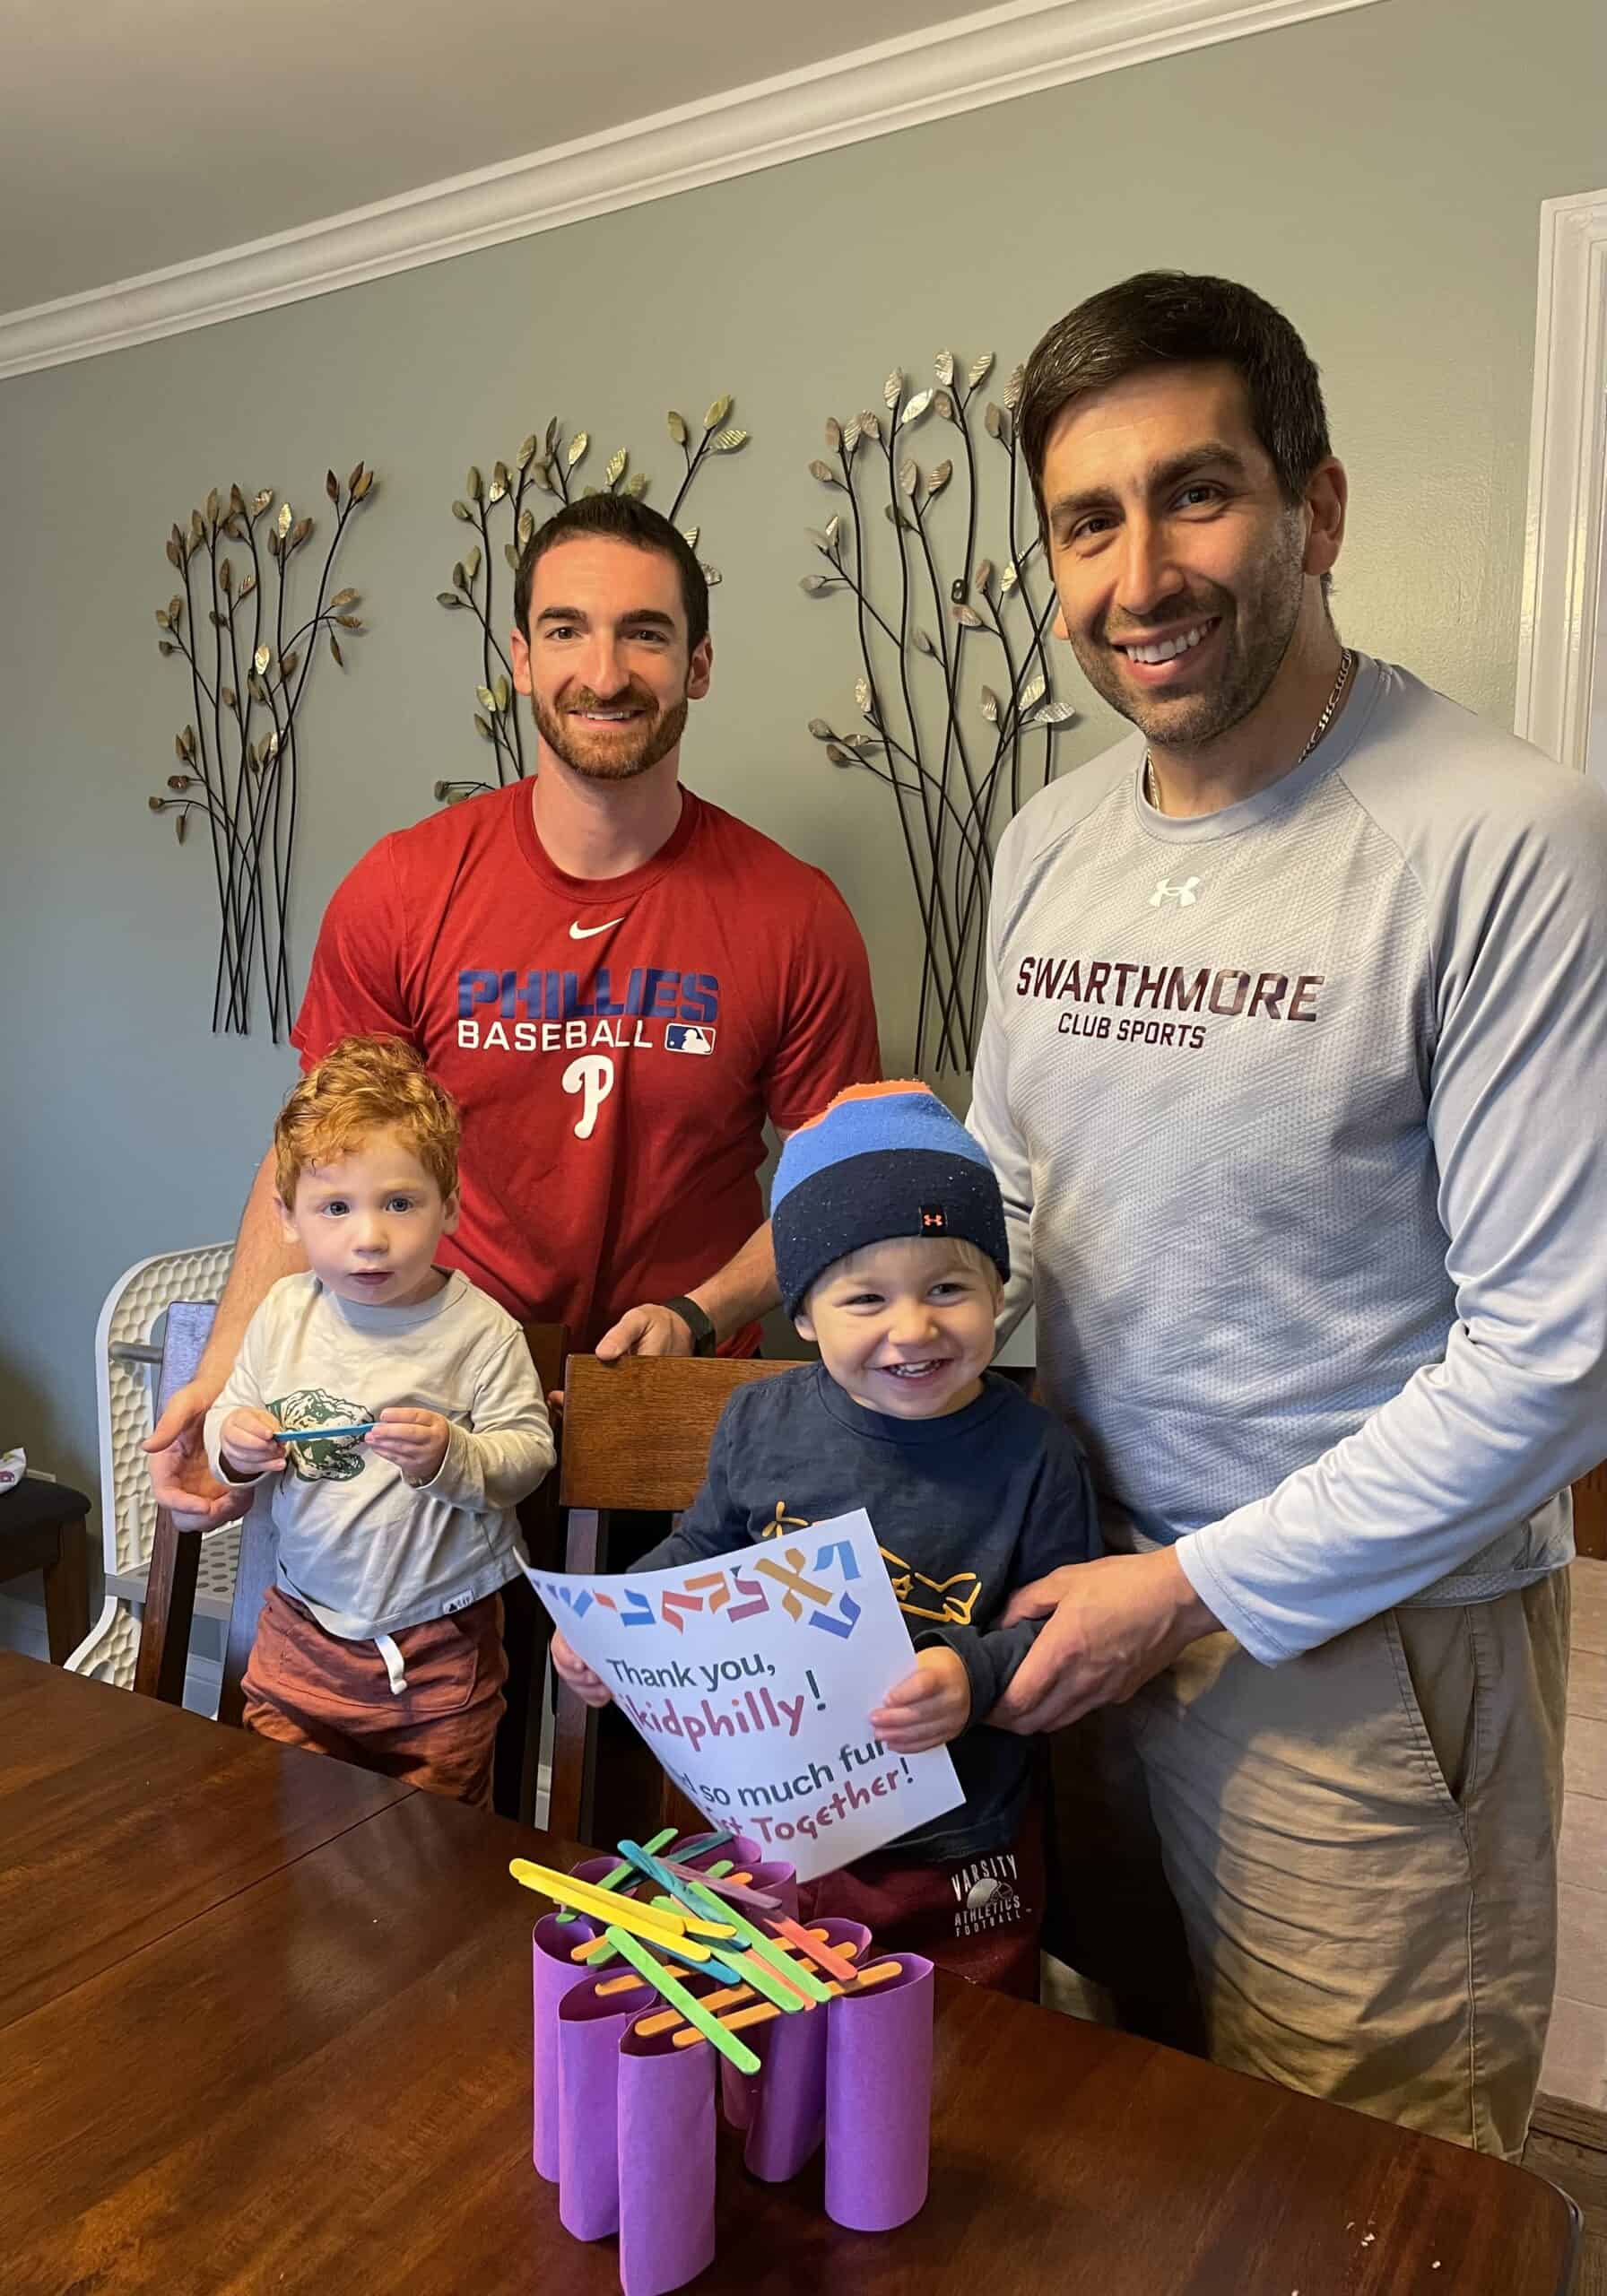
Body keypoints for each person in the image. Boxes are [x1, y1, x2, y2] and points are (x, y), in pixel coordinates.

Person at [965, 268, 1607, 2152]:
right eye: (1087, 518)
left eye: (1196, 491)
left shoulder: (1498, 838)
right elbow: (1008, 1194)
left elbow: (1554, 1361)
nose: (1138, 570)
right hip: (1072, 1589)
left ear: (1312, 511)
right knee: (1128, 2122)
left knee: (1354, 2190)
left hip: (1355, 1662)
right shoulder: (1044, 838)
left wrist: (1192, 1585)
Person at [148, 493, 880, 1529]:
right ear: (521, 659)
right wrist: (227, 1370)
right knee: (442, 1695)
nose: (606, 671)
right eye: (566, 630)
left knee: (654, 1697)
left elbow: (839, 1175)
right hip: (432, 1390)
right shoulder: (405, 887)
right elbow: (320, 1152)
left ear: (698, 665)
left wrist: (695, 1312)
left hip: (678, 1404)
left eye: (646, 633)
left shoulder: (793, 914)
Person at [551, 1082, 1099, 1996]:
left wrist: (974, 1674)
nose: (912, 1327)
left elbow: (1063, 1628)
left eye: (949, 1287)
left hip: (961, 1845)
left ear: (997, 1290)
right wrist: (617, 1625)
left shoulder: (1035, 1450)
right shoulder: (760, 1419)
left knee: (959, 2058)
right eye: (865, 1298)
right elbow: (701, 1549)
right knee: (770, 2027)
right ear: (804, 1313)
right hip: (778, 1823)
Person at [204, 1035, 556, 1805]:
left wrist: (451, 1457)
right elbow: (231, 1412)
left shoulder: (480, 1330)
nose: (369, 1237)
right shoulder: (282, 1314)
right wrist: (231, 1444)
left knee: (432, 1854)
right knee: (278, 1824)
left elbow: (530, 1453)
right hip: (300, 1638)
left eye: (400, 1202)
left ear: (451, 1203)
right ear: (288, 1215)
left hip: (439, 1651)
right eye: (336, 1207)